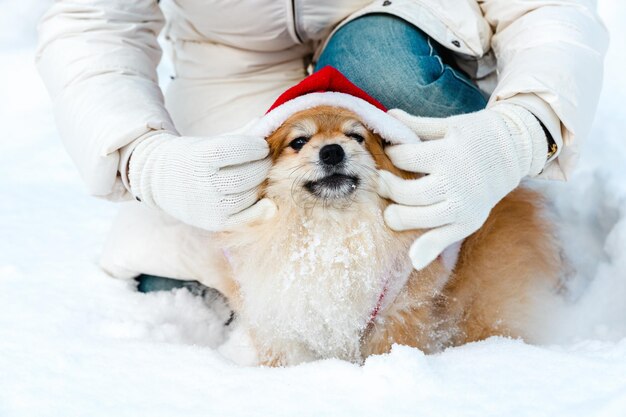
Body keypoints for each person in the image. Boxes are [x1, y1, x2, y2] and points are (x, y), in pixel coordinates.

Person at [37, 1, 607, 296]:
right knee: (178, 277)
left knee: (388, 68)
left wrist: (526, 128)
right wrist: (144, 158)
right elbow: (90, 23)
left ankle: (498, 239)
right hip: (231, 67)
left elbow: (547, 8)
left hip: (391, 31)